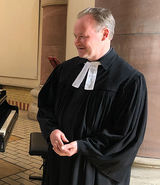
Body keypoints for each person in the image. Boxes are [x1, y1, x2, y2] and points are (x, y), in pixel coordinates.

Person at [37, 7, 147, 185]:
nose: (76, 42)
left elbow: (126, 136)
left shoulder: (130, 80)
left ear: (104, 34)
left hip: (94, 171)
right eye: (75, 36)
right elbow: (46, 106)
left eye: (83, 36)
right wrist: (52, 131)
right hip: (59, 164)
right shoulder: (65, 70)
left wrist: (83, 146)